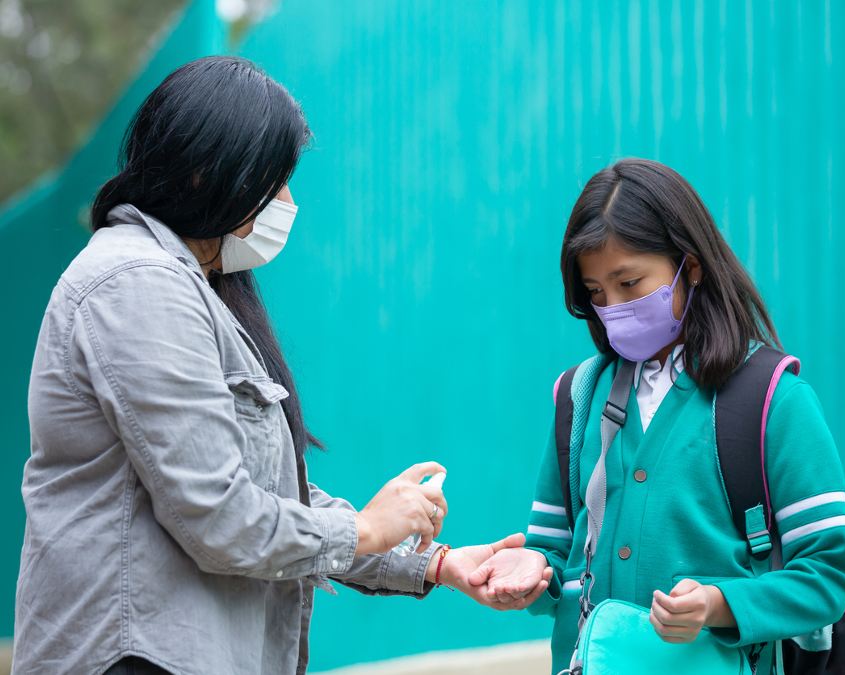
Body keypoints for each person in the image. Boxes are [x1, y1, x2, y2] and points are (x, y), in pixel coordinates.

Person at [12, 56, 550, 675]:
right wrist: (367, 530)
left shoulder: (190, 287)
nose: (288, 203)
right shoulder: (139, 283)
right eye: (275, 180)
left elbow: (258, 492)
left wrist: (435, 562)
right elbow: (220, 514)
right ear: (206, 171)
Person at [469, 158, 845, 674]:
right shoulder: (576, 396)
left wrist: (719, 606)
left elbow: (826, 574)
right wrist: (531, 573)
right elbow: (555, 553)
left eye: (630, 283)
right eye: (596, 293)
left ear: (690, 266)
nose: (612, 307)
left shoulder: (772, 399)